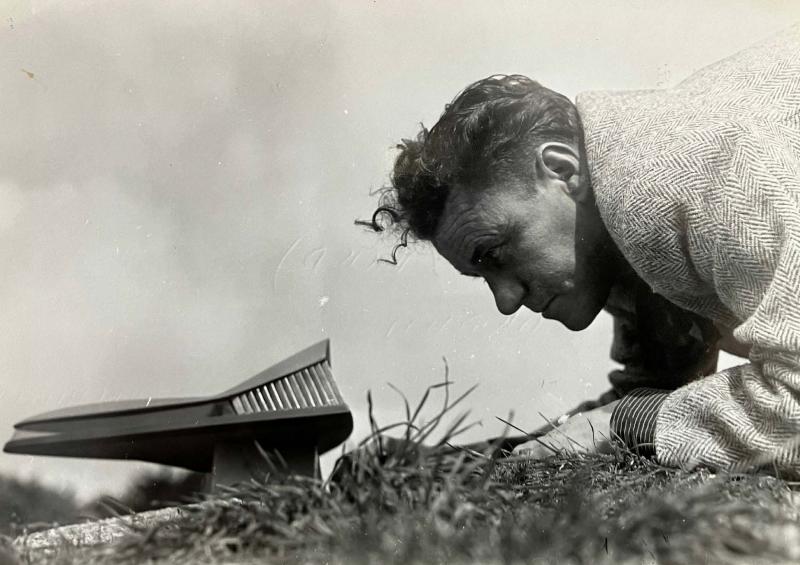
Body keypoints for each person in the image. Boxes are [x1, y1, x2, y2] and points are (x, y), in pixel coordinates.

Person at [359, 24, 800, 475]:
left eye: (495, 254)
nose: (506, 301)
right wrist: (451, 464)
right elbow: (652, 398)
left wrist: (621, 424)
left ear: (561, 169)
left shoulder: (690, 176)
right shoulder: (613, 214)